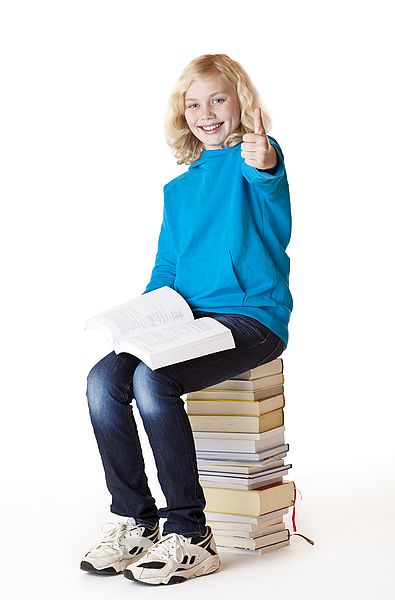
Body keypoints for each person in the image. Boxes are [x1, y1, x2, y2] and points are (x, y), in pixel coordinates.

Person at [81, 53, 293, 586]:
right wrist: (144, 317)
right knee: (103, 380)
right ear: (183, 114)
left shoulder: (254, 159)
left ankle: (190, 532)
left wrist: (264, 156)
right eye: (193, 103)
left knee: (153, 381)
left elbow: (268, 178)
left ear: (240, 101)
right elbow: (168, 266)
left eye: (218, 98)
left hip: (250, 319)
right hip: (188, 319)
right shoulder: (178, 190)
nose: (206, 112)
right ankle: (135, 520)